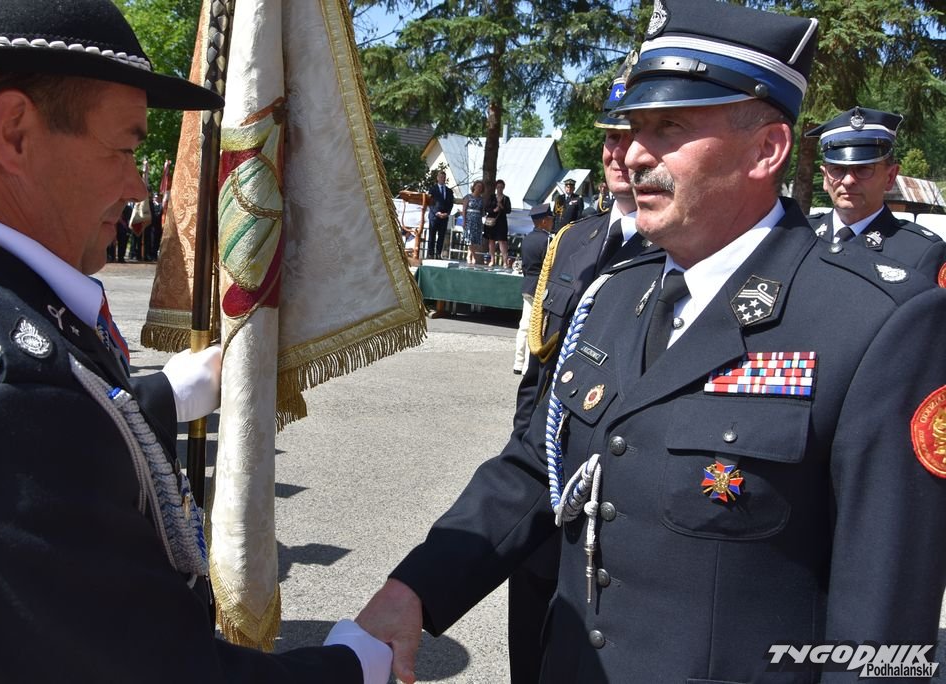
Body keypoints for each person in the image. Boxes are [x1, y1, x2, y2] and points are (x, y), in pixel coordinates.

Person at [357, 2, 946, 683]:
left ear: (767, 150)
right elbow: (538, 467)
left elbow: (881, 615)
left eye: (670, 128)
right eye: (636, 127)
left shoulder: (876, 321)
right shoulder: (614, 291)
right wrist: (417, 590)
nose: (635, 153)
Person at [0, 1, 390, 682]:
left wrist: (162, 396)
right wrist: (355, 668)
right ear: (14, 133)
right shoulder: (7, 394)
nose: (137, 185)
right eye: (123, 149)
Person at [505, 63, 655, 683]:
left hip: (610, 508)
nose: (620, 153)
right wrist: (523, 454)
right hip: (544, 480)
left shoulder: (674, 248)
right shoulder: (574, 239)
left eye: (634, 136)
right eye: (611, 138)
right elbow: (539, 373)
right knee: (528, 653)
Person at [806, 106, 946, 285]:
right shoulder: (799, 234)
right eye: (838, 169)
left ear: (890, 177)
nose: (848, 180)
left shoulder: (921, 252)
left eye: (863, 169)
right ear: (825, 178)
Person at [513, 204, 552, 375]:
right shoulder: (547, 240)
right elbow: (549, 265)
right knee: (535, 327)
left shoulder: (527, 238)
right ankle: (528, 366)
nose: (551, 222)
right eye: (550, 219)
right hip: (540, 286)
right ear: (543, 221)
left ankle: (518, 362)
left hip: (527, 284)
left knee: (524, 325)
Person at [427, 170, 454, 259]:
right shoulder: (432, 189)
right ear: (437, 178)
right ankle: (431, 253)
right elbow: (430, 202)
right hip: (434, 216)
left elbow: (451, 204)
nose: (442, 179)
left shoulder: (449, 191)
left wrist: (447, 213)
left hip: (444, 217)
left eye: (444, 178)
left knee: (441, 236)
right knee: (432, 235)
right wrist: (436, 212)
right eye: (441, 177)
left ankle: (439, 253)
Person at [485, 179, 512, 267]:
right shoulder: (492, 197)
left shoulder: (506, 198)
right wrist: (494, 210)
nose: (500, 188)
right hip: (491, 221)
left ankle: (505, 261)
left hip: (501, 221)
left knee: (502, 241)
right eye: (498, 187)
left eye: (501, 187)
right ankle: (492, 260)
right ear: (496, 187)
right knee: (491, 241)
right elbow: (486, 208)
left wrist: (502, 207)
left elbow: (509, 210)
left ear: (503, 188)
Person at [461, 180, 486, 265]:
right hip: (469, 219)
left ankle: (469, 255)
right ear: (474, 187)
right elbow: (464, 209)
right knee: (470, 239)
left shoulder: (481, 199)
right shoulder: (468, 197)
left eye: (481, 187)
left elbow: (483, 212)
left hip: (478, 220)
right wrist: (464, 221)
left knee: (475, 240)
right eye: (478, 186)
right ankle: (474, 256)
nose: (479, 188)